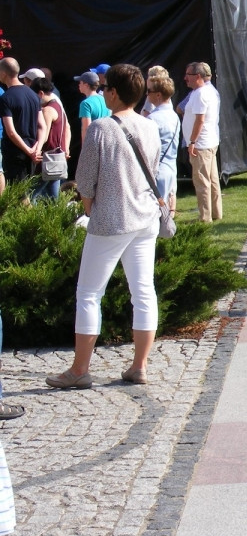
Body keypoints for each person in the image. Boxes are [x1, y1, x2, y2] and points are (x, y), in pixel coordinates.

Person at [46, 64, 163, 389]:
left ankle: (80, 369)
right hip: (145, 217)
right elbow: (153, 171)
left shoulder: (100, 128)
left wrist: (90, 209)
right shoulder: (149, 126)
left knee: (89, 293)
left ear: (112, 92)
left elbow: (84, 181)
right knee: (143, 292)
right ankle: (139, 366)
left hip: (111, 220)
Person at [182, 62, 222, 223]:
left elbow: (200, 120)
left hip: (201, 144)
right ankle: (216, 212)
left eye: (188, 75)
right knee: (212, 180)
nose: (185, 78)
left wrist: (192, 141)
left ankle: (205, 217)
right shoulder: (209, 91)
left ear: (197, 76)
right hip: (209, 141)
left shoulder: (200, 93)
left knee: (202, 181)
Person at [1, 58, 45, 185]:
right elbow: (42, 126)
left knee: (18, 196)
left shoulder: (6, 98)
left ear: (3, 73)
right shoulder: (33, 95)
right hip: (31, 152)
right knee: (25, 191)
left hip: (14, 154)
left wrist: (29, 150)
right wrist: (37, 148)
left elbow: (11, 132)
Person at [143, 75, 181, 215]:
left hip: (157, 171)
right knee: (165, 212)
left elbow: (147, 148)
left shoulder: (153, 118)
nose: (147, 94)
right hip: (170, 168)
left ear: (158, 95)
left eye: (149, 91)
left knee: (154, 214)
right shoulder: (173, 116)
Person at [32, 77, 71, 200]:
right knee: (54, 197)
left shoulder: (48, 110)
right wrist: (67, 148)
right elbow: (67, 128)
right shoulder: (58, 105)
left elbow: (44, 135)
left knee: (32, 195)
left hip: (48, 158)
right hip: (59, 158)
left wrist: (35, 150)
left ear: (41, 93)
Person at [75, 70, 110, 143]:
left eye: (80, 82)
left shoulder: (85, 103)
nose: (78, 85)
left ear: (86, 85)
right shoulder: (105, 99)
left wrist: (84, 149)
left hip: (94, 143)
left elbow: (86, 128)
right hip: (107, 140)